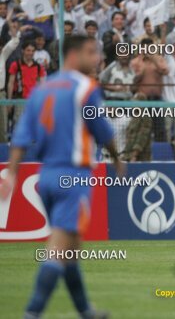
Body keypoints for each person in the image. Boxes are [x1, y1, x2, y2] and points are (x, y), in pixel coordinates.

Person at [0, 34, 124, 319]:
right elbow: (103, 131)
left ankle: (84, 310)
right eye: (91, 52)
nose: (96, 59)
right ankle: (32, 312)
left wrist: (12, 175)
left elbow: (19, 137)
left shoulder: (41, 90)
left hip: (45, 178)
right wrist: (117, 160)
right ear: (74, 54)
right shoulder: (85, 88)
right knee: (58, 248)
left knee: (70, 250)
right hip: (73, 178)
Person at [130, 38, 169, 141]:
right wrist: (139, 74)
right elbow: (132, 81)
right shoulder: (135, 62)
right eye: (145, 47)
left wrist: (154, 60)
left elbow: (165, 71)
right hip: (142, 100)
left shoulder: (159, 59)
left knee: (160, 128)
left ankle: (162, 153)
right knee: (141, 127)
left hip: (157, 99)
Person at [123, 92, 153, 162]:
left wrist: (134, 156)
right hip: (128, 155)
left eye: (135, 102)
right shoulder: (134, 117)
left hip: (141, 158)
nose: (132, 104)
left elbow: (142, 138)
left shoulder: (146, 117)